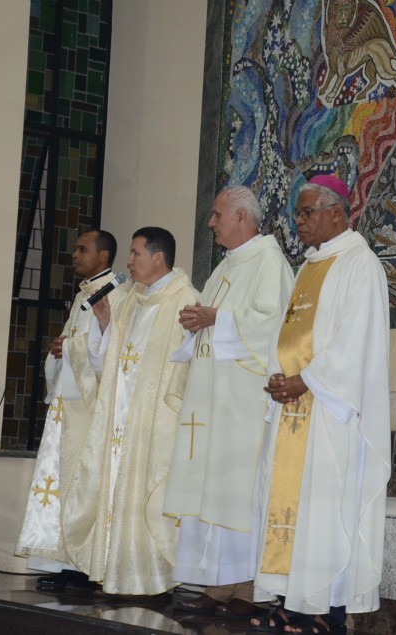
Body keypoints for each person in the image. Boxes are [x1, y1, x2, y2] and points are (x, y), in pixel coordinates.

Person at [249, 174, 391, 635]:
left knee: (323, 508)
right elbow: (289, 332)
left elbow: (354, 343)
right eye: (298, 214)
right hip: (295, 403)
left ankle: (324, 610)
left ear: (337, 211)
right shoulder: (310, 265)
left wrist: (304, 381)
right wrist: (278, 372)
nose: (300, 223)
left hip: (329, 410)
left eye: (307, 213)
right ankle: (292, 598)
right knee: (291, 505)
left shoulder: (358, 263)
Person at [163, 186, 294, 616]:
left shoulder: (269, 262)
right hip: (213, 400)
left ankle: (246, 587)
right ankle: (218, 583)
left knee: (238, 493)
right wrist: (195, 322)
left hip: (243, 404)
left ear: (241, 217)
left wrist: (215, 319)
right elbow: (215, 322)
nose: (211, 223)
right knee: (213, 490)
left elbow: (272, 327)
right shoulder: (224, 267)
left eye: (218, 215)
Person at [61, 226, 200, 596]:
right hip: (121, 420)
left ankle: (150, 577)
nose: (128, 261)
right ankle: (118, 572)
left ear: (158, 258)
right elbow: (107, 360)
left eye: (136, 254)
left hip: (155, 422)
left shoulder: (185, 301)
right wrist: (106, 322)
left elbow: (188, 367)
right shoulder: (130, 299)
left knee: (148, 495)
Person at [15, 229, 126, 592]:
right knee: (62, 486)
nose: (74, 255)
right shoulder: (85, 293)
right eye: (76, 249)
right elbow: (77, 345)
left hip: (91, 408)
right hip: (69, 406)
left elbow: (112, 350)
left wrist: (73, 349)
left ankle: (84, 566)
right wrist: (59, 349)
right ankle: (64, 561)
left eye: (83, 249)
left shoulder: (116, 294)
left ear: (104, 255)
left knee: (84, 487)